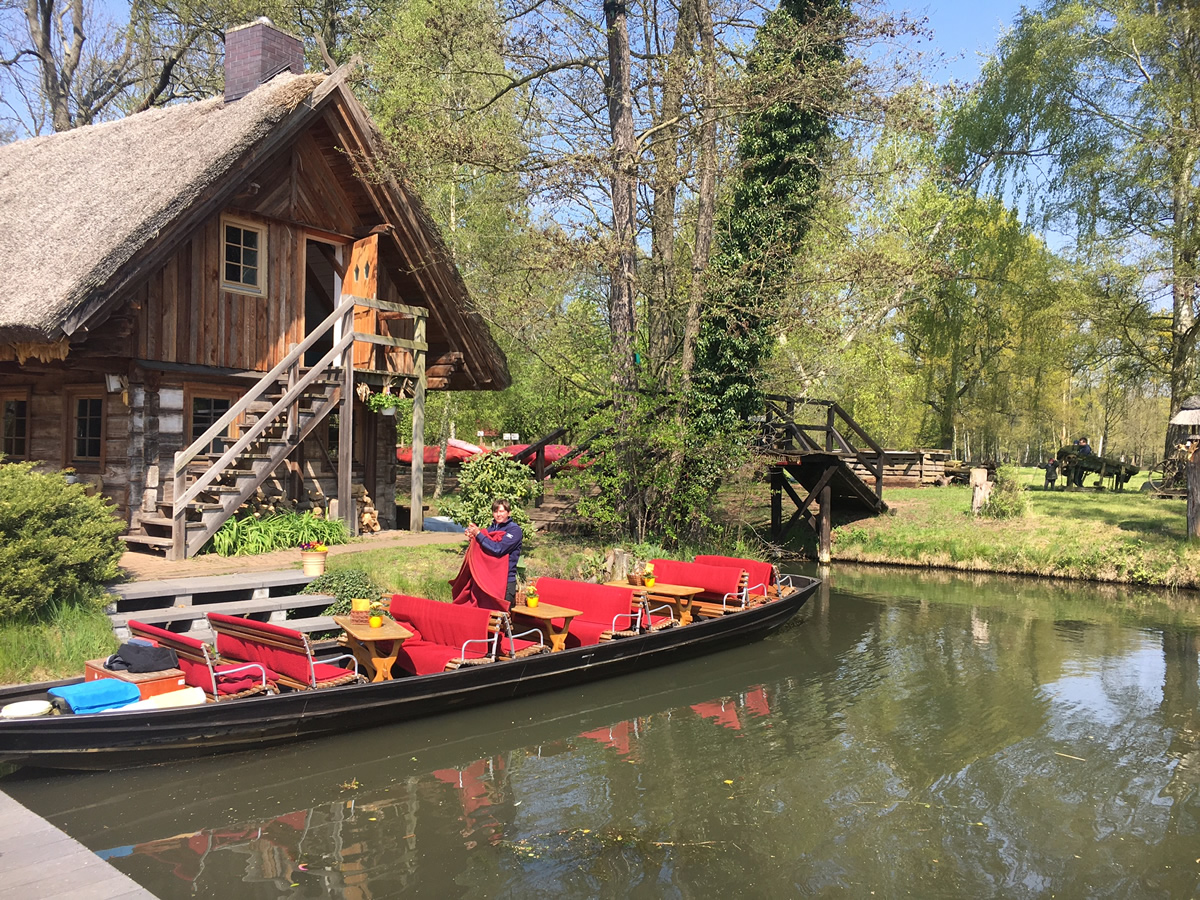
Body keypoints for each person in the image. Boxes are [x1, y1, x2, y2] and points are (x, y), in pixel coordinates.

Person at [466, 499, 523, 606]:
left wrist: (478, 534)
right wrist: (474, 538)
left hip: (505, 581)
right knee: (486, 616)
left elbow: (498, 549)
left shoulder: (514, 530)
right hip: (489, 579)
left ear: (508, 512)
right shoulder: (490, 529)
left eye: (501, 511)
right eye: (495, 511)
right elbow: (485, 546)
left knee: (502, 619)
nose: (498, 514)